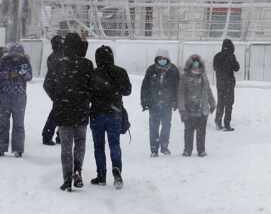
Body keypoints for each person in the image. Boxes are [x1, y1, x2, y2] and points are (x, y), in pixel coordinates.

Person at [45, 32, 94, 191]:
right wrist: (85, 97)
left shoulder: (58, 64)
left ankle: (67, 178)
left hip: (63, 109)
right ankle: (78, 170)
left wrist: (57, 97)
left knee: (66, 145)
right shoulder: (86, 64)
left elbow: (48, 84)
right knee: (80, 142)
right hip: (81, 109)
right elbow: (92, 85)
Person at [88, 44, 131, 187]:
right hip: (114, 113)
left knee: (99, 146)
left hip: (97, 114)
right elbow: (127, 91)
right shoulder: (120, 72)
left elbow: (87, 93)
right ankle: (117, 170)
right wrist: (115, 90)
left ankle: (101, 176)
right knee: (114, 144)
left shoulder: (93, 74)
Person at [0, 42, 32, 158]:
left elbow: (29, 76)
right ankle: (1, 149)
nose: (16, 57)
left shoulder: (25, 62)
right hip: (6, 95)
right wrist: (9, 74)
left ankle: (17, 149)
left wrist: (21, 74)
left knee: (17, 123)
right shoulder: (3, 61)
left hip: (17, 96)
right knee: (4, 123)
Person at [140, 49, 180, 157]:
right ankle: (154, 149)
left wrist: (176, 101)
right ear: (156, 59)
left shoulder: (173, 70)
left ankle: (164, 146)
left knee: (166, 125)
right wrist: (144, 101)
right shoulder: (151, 70)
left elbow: (178, 87)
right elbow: (145, 87)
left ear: (167, 59)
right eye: (160, 58)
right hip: (154, 103)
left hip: (167, 104)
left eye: (164, 58)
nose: (162, 60)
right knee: (153, 126)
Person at [177, 54, 216, 157]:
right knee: (188, 131)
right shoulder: (184, 77)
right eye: (194, 66)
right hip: (189, 109)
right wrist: (182, 109)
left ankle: (201, 150)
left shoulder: (203, 76)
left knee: (201, 132)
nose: (196, 68)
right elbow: (180, 94)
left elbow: (208, 90)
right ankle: (187, 150)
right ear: (189, 66)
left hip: (202, 108)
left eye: (198, 66)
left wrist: (212, 103)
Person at [212, 38, 240, 132]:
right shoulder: (231, 56)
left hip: (220, 83)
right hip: (229, 84)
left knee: (221, 103)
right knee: (229, 104)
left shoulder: (217, 56)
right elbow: (236, 68)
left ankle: (218, 122)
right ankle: (227, 124)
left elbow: (215, 68)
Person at [40, 35, 63, 145]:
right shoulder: (61, 56)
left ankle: (53, 135)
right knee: (59, 111)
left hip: (52, 86)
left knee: (58, 111)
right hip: (59, 88)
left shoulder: (52, 56)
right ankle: (52, 135)